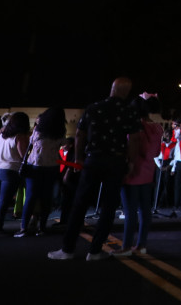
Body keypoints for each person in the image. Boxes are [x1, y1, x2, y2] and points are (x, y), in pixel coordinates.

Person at [48, 77, 142, 260]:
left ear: (112, 89)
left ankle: (67, 249)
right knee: (109, 207)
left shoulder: (94, 108)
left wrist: (79, 157)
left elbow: (79, 134)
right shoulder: (129, 111)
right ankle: (95, 251)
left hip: (93, 159)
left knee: (80, 203)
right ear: (127, 93)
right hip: (116, 161)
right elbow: (134, 139)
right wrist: (131, 162)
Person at [115, 95, 163, 256]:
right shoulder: (157, 127)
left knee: (130, 212)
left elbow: (133, 147)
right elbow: (156, 152)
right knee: (145, 210)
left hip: (133, 172)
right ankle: (141, 244)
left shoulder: (135, 126)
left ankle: (126, 246)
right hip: (148, 172)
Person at [18, 107, 68, 237]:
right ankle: (42, 228)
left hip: (34, 165)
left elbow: (31, 143)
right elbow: (65, 145)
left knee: (30, 197)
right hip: (51, 167)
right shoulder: (60, 131)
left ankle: (24, 228)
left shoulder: (38, 130)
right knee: (46, 198)